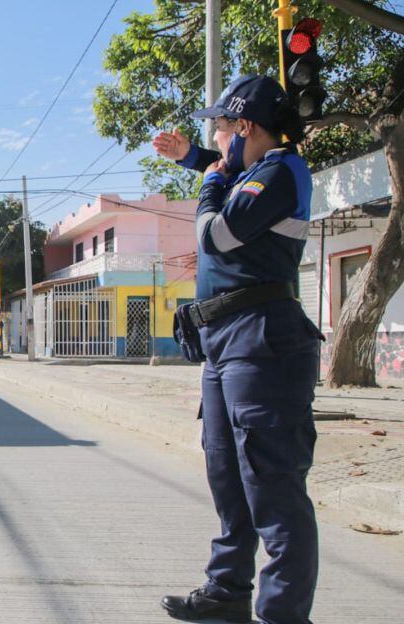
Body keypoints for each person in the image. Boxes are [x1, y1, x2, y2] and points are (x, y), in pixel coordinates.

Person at [155, 75, 321, 624]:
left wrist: (204, 181)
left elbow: (218, 234)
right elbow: (226, 168)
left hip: (263, 340)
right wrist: (194, 159)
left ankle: (282, 615)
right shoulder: (251, 169)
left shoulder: (281, 170)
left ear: (244, 126)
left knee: (271, 485)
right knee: (227, 474)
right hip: (223, 342)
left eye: (222, 126)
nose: (219, 137)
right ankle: (227, 592)